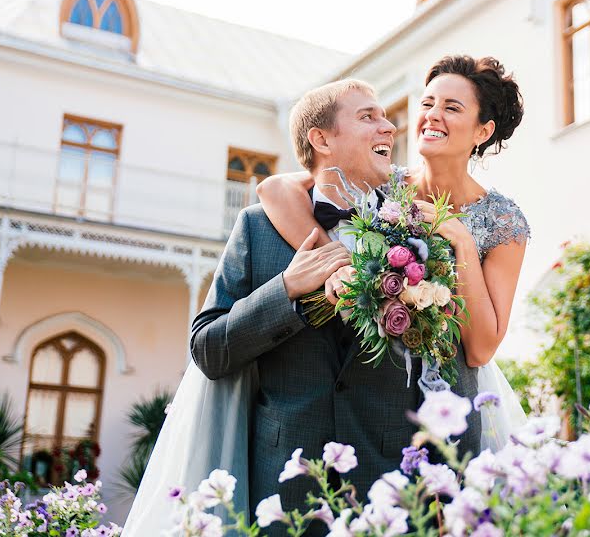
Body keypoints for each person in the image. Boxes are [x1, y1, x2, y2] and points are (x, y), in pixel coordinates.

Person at [123, 78, 481, 536]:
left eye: (385, 117)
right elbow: (208, 350)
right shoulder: (257, 228)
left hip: (391, 495)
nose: (389, 128)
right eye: (368, 116)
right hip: (282, 495)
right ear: (322, 139)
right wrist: (287, 289)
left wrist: (467, 493)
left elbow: (453, 369)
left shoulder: (422, 236)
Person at [257, 55, 530, 449]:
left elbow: (481, 348)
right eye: (427, 104)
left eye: (451, 108)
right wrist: (338, 265)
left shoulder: (504, 221)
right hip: (378, 409)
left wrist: (461, 240)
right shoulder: (382, 180)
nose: (432, 116)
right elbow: (276, 190)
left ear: (482, 131)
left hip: (451, 407)